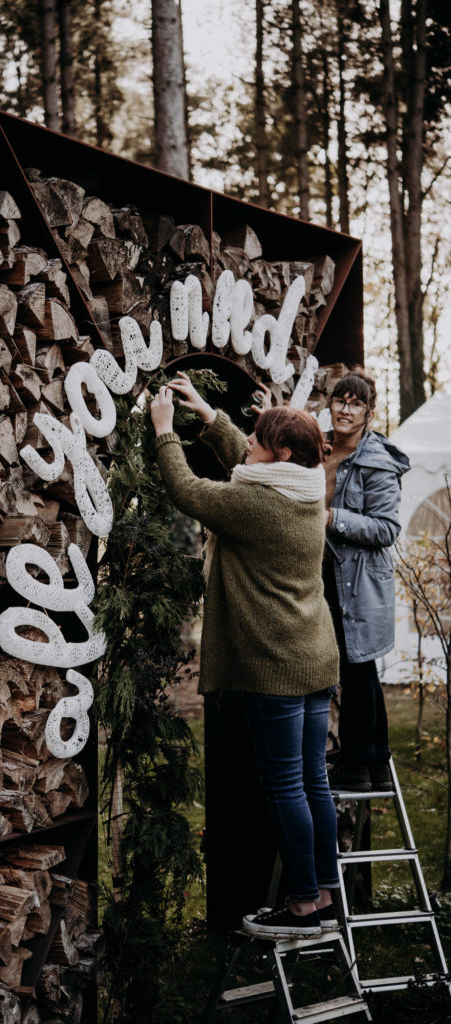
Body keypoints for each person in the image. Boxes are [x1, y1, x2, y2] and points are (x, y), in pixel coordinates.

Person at [150, 372, 340, 940]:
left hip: (274, 661)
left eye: (259, 438)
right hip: (314, 654)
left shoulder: (256, 504)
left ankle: (302, 906)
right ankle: (324, 892)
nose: (249, 441)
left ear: (281, 453)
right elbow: (247, 460)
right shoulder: (307, 485)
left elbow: (190, 491)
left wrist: (165, 430)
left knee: (284, 786)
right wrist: (209, 415)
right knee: (313, 781)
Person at [322, 371, 410, 792]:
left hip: (357, 579)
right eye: (340, 400)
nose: (346, 409)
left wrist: (333, 518)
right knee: (359, 669)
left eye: (356, 404)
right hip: (321, 572)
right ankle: (375, 761)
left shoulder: (376, 461)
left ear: (369, 413)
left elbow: (386, 528)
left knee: (356, 668)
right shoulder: (317, 447)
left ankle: (357, 764)